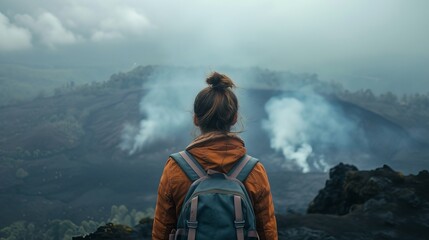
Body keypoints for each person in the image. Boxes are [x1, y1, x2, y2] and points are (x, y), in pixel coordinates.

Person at [152, 72, 278, 240]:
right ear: (234, 118)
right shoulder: (255, 171)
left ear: (196, 119)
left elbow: (162, 230)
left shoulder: (175, 168)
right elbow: (268, 232)